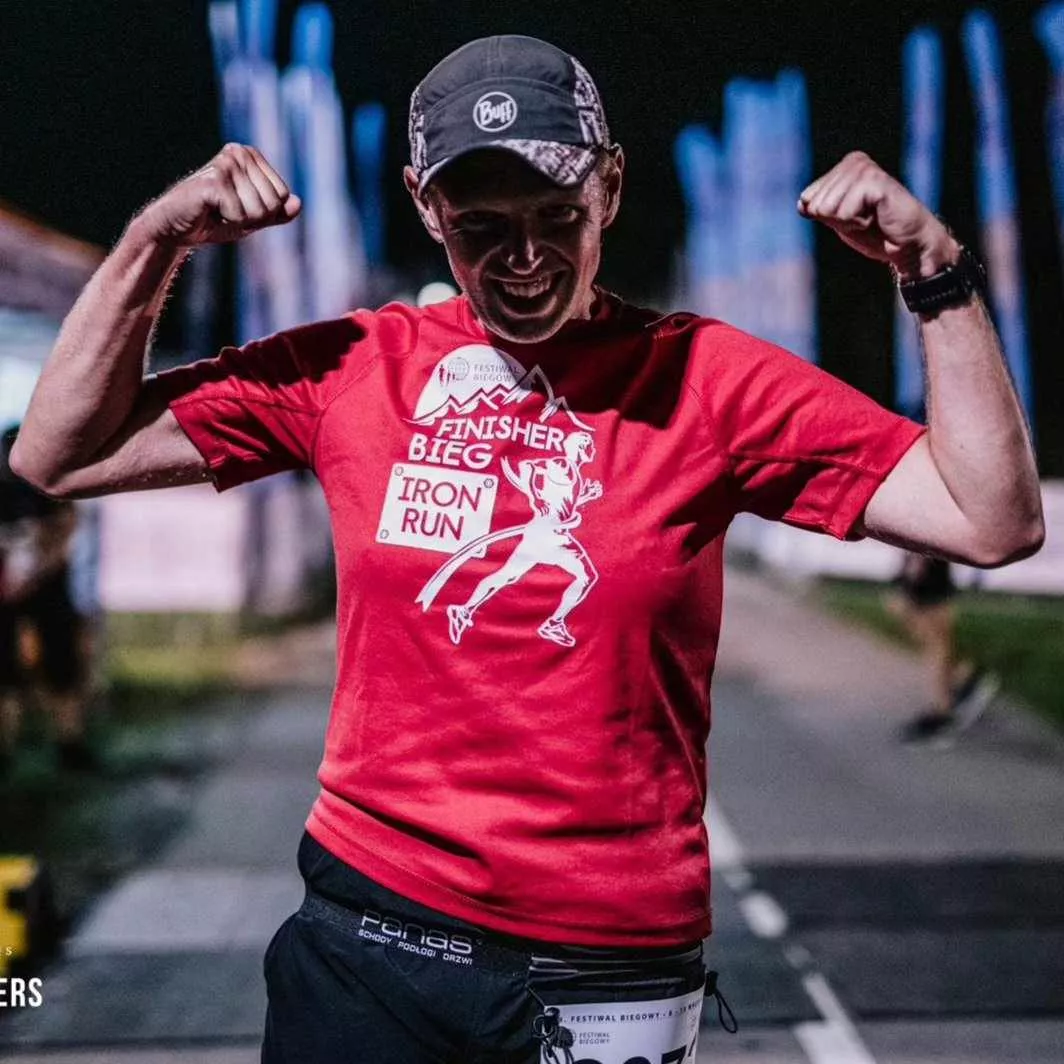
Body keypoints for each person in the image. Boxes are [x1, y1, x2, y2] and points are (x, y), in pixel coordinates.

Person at [10, 33, 1043, 1063]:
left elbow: (988, 518)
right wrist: (158, 239)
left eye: (557, 216)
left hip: (603, 960)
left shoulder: (704, 381)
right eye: (481, 227)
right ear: (426, 206)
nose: (524, 257)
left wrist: (933, 273)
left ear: (610, 187)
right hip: (370, 934)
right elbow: (62, 451)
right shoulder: (357, 366)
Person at [1, 425, 95, 774]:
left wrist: (36, 573)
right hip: (9, 593)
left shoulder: (48, 485)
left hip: (47, 590)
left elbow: (67, 527)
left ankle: (70, 743)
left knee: (61, 666)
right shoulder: (11, 488)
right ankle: (8, 749)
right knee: (6, 672)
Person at [887, 550, 999, 744]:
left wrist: (908, 584)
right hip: (930, 579)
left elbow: (923, 546)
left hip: (929, 584)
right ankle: (965, 677)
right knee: (932, 645)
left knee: (935, 647)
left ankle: (943, 713)